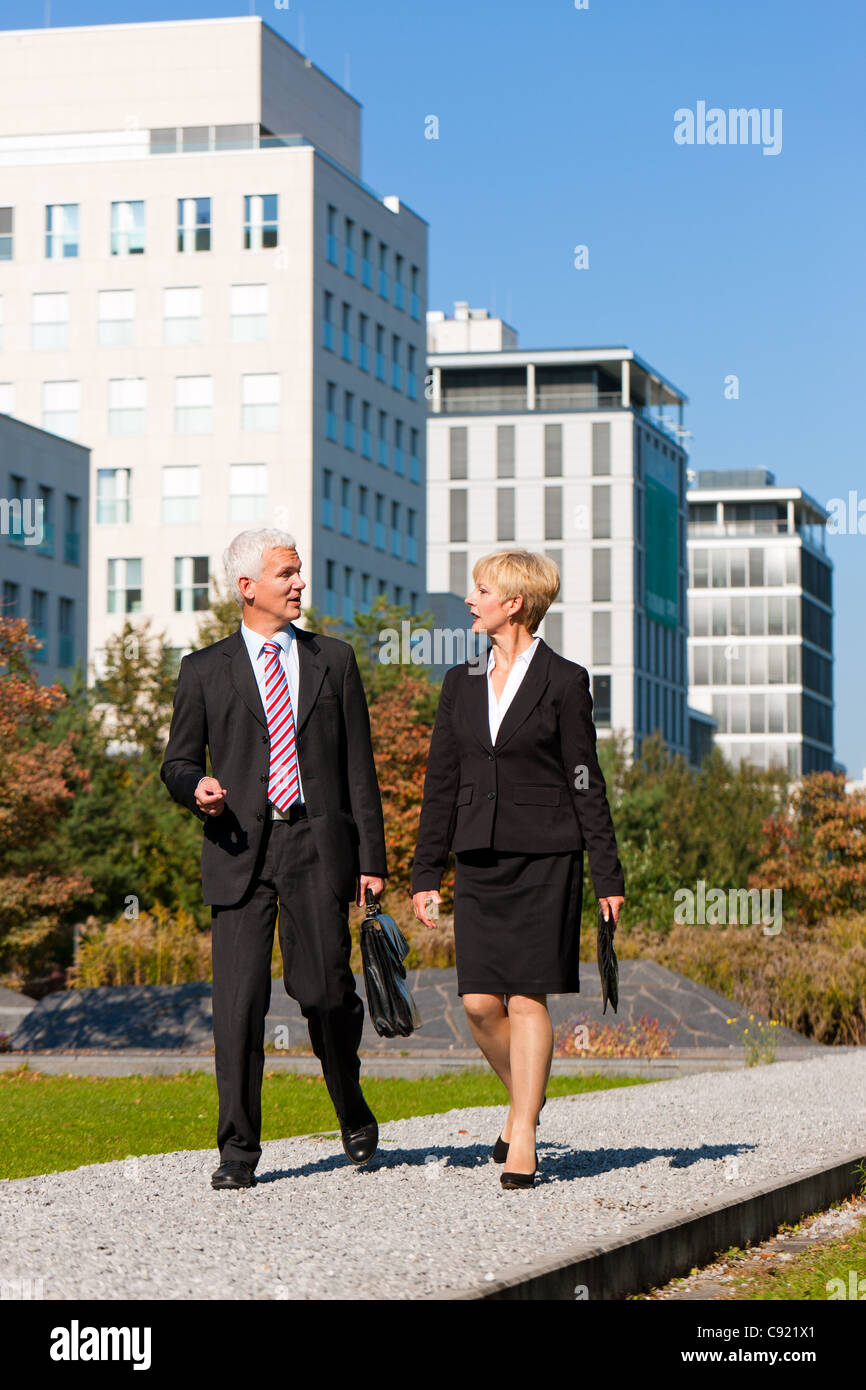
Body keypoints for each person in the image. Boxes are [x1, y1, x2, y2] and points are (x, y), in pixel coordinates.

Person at [160, 528, 387, 1189]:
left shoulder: (333, 661)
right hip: (236, 850)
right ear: (247, 587)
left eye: (298, 572)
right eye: (286, 573)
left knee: (324, 994)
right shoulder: (203, 670)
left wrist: (371, 861)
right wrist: (194, 788)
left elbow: (358, 772)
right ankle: (237, 1153)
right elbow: (177, 761)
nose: (298, 584)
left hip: (316, 849)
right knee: (237, 1005)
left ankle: (349, 1100)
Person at [411, 550, 625, 1189]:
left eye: (481, 591)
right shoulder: (459, 681)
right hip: (477, 856)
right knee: (479, 1003)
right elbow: (441, 782)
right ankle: (524, 1100)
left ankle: (522, 1134)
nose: (470, 600)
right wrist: (426, 872)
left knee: (528, 996)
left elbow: (586, 780)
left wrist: (607, 876)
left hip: (547, 857)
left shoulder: (565, 680)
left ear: (515, 603)